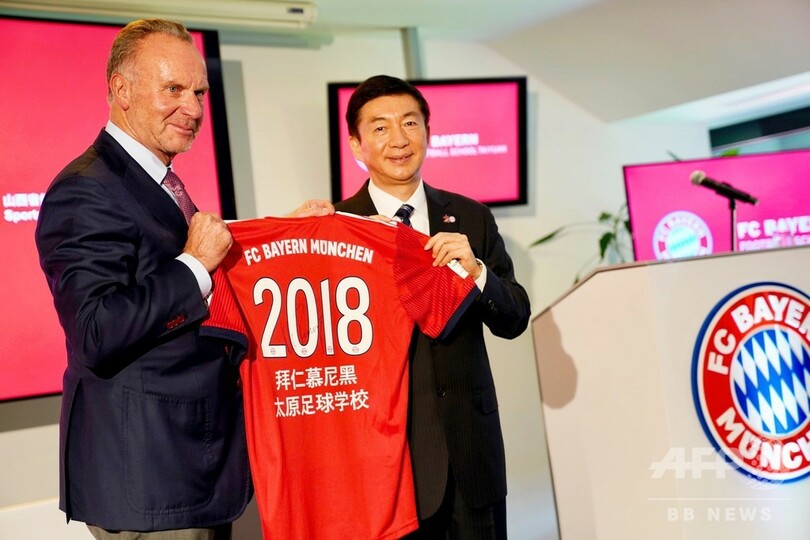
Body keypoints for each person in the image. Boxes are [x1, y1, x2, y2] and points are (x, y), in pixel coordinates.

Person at [34, 18, 332, 539]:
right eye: (173, 89)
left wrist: (284, 231)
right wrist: (193, 264)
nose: (193, 109)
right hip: (151, 477)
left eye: (199, 92)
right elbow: (97, 330)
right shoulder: (85, 189)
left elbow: (177, 260)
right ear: (122, 91)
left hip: (188, 468)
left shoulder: (152, 178)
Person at [334, 75, 531, 539]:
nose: (399, 139)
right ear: (357, 145)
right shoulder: (337, 228)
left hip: (470, 455)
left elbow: (515, 318)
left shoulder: (471, 217)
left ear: (428, 132)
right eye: (380, 127)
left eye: (410, 123)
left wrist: (477, 271)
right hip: (386, 460)